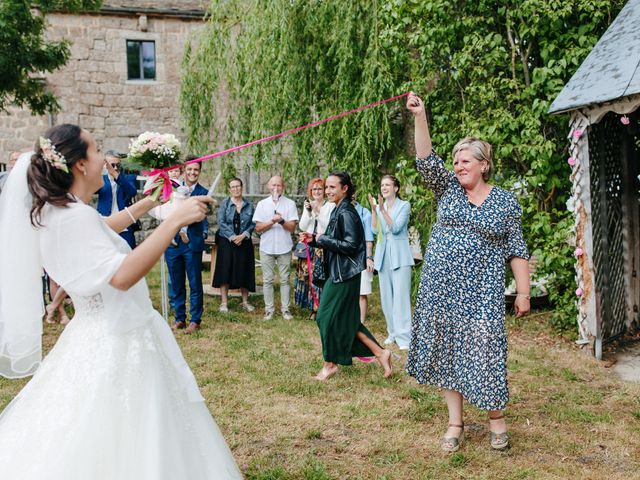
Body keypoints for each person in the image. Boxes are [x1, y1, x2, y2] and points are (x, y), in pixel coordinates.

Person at [0, 124, 241, 478]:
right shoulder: (73, 215)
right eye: (97, 150)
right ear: (80, 164)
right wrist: (173, 220)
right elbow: (123, 275)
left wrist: (149, 202)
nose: (105, 159)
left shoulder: (57, 211)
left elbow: (101, 227)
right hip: (118, 338)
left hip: (92, 331)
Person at [405, 93, 530, 452]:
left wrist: (523, 292)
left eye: (465, 161)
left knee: (487, 351)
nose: (458, 166)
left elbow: (516, 249)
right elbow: (426, 159)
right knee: (446, 351)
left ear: (484, 165)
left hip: (481, 292)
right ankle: (455, 423)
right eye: (456, 161)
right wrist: (421, 115)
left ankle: (496, 420)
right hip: (441, 288)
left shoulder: (505, 201)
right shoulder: (448, 190)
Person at [301, 172, 393, 381]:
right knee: (347, 320)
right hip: (339, 271)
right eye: (327, 187)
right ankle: (381, 353)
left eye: (333, 187)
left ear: (345, 189)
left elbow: (352, 245)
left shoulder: (347, 213)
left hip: (344, 274)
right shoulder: (337, 209)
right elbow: (334, 239)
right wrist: (314, 239)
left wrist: (321, 238)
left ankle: (330, 364)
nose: (328, 191)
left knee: (325, 317)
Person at [368, 175, 414, 350]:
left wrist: (383, 210)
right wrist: (374, 210)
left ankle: (404, 337)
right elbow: (374, 230)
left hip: (400, 256)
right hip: (383, 255)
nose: (384, 187)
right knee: (387, 297)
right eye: (382, 184)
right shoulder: (380, 207)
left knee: (401, 297)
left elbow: (395, 228)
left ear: (396, 188)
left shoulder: (404, 205)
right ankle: (392, 332)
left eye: (388, 184)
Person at [165, 161, 209, 334]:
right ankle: (179, 318)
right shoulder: (174, 189)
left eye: (196, 170)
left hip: (192, 242)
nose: (192, 172)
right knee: (176, 282)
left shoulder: (203, 192)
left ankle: (195, 320)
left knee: (194, 282)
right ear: (184, 171)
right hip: (173, 242)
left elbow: (203, 214)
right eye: (189, 169)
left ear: (199, 172)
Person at [253, 175, 299, 320]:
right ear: (268, 186)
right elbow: (258, 228)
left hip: (284, 247)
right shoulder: (262, 204)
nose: (276, 188)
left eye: (278, 185)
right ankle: (269, 310)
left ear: (283, 187)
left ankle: (285, 309)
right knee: (267, 280)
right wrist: (272, 221)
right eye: (273, 185)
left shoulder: (290, 204)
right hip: (266, 247)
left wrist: (281, 220)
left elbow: (292, 228)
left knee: (285, 279)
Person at [212, 177, 256, 312]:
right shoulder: (224, 204)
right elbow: (221, 222)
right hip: (227, 241)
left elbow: (253, 222)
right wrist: (232, 236)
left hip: (244, 241)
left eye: (238, 186)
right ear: (229, 189)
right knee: (225, 270)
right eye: (233, 187)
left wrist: (243, 235)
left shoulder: (249, 205)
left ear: (242, 188)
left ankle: (245, 301)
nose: (236, 189)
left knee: (244, 270)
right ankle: (224, 303)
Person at [295, 178, 334, 314]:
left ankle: (322, 307)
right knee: (308, 277)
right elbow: (302, 226)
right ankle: (312, 307)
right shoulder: (309, 205)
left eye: (319, 189)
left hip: (322, 246)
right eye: (314, 189)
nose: (317, 192)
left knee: (320, 277)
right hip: (308, 246)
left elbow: (327, 225)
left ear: (324, 191)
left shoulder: (329, 206)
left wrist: (317, 212)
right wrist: (310, 212)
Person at [96, 150, 139, 249]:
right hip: (105, 223)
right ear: (105, 164)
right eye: (112, 165)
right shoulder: (99, 179)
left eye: (118, 165)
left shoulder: (127, 178)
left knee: (128, 253)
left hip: (125, 224)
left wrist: (116, 175)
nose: (115, 168)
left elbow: (132, 192)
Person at [353, 194, 375, 324]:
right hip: (346, 256)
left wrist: (369, 257)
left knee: (362, 291)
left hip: (361, 255)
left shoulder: (363, 212)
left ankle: (360, 321)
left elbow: (369, 238)